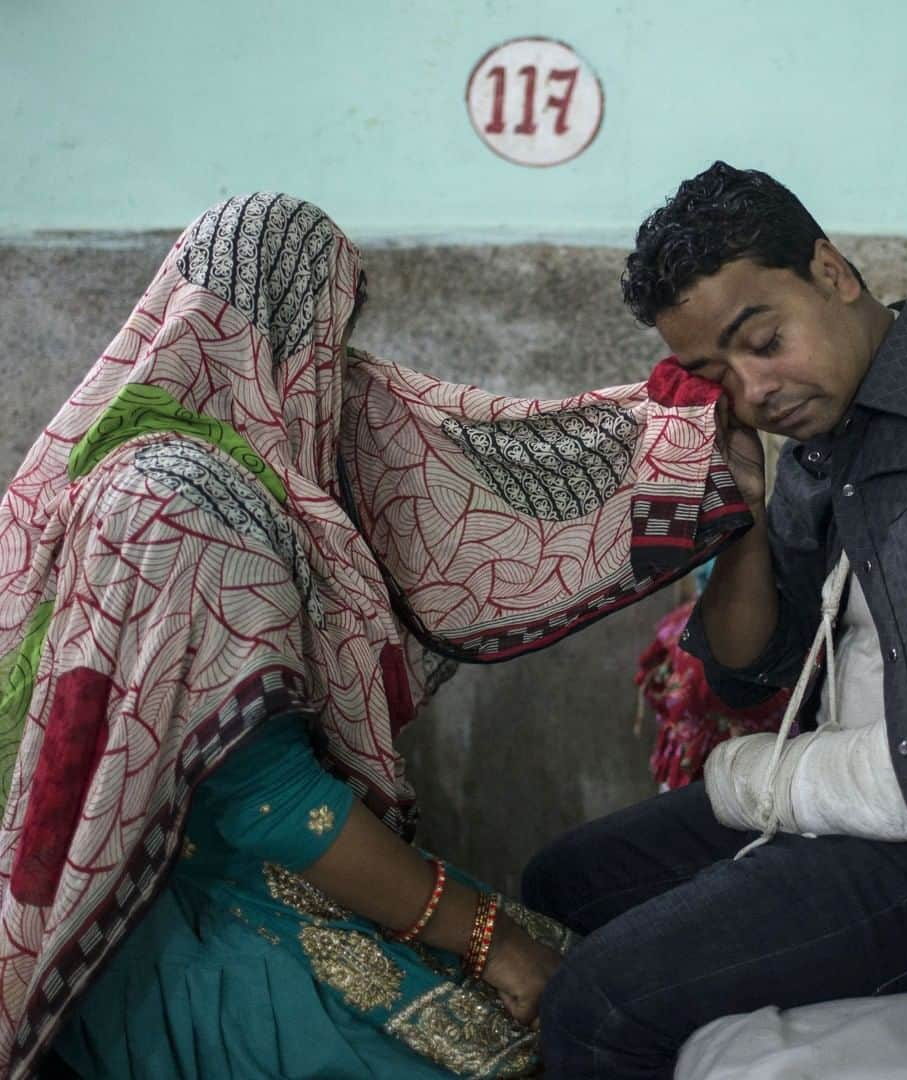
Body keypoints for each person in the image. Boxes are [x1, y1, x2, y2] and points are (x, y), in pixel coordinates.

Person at [0, 193, 753, 1078]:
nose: (345, 365)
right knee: (563, 1018)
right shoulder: (186, 502)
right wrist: (493, 944)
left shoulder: (158, 464)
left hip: (193, 888)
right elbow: (267, 802)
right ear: (297, 325)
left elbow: (483, 464)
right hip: (180, 926)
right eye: (337, 327)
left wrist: (674, 444)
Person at [523, 161, 907, 1079]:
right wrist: (737, 513)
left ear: (831, 271)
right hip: (883, 804)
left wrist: (745, 778)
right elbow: (749, 670)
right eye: (715, 374)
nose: (753, 391)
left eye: (763, 339)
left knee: (600, 1002)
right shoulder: (834, 431)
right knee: (562, 883)